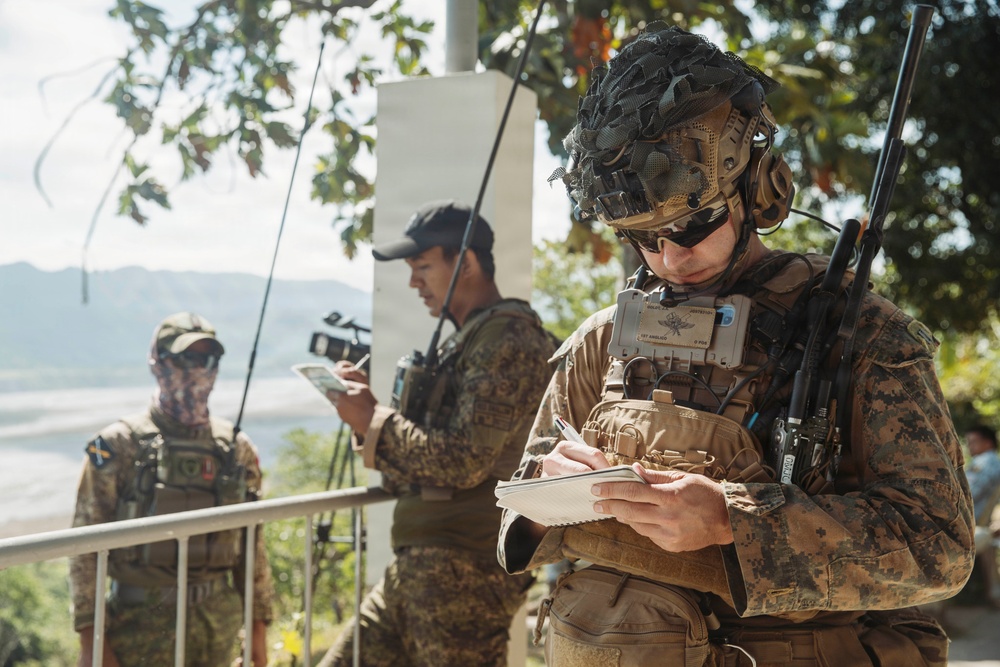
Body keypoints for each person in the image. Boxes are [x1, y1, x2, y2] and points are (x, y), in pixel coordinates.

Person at [498, 24, 975, 667]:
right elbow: (516, 515)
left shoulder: (863, 341)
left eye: (693, 224)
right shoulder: (602, 342)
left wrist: (734, 522)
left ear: (758, 188)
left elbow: (939, 547)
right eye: (644, 237)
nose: (669, 255)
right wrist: (547, 496)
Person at [317, 201, 558, 666]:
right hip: (419, 569)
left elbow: (462, 460)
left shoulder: (508, 340)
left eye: (422, 267)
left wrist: (372, 420)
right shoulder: (468, 340)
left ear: (464, 262)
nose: (413, 282)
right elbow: (416, 469)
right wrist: (366, 419)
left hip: (464, 573)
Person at [69, 312, 274, 667]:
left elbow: (252, 548)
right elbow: (84, 552)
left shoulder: (235, 449)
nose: (196, 370)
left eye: (207, 359)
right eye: (183, 359)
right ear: (158, 364)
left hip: (218, 628)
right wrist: (93, 643)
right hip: (139, 630)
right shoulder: (118, 446)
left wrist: (256, 632)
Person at [963, 424, 1000, 603]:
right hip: (976, 523)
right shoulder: (988, 462)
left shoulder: (986, 463)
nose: (969, 446)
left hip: (970, 523)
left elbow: (967, 495)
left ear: (988, 443)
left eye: (973, 441)